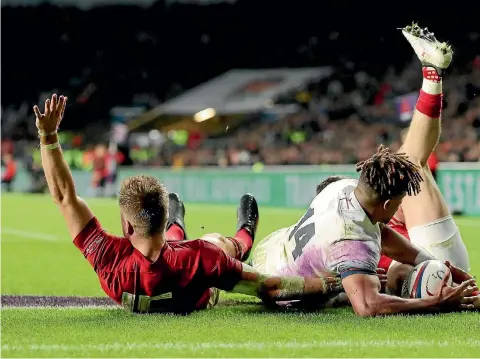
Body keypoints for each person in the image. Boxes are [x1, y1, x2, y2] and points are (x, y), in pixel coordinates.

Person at [33, 94, 343, 314]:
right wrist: (332, 282)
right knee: (215, 242)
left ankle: (177, 227)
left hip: (155, 259)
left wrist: (48, 136)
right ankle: (242, 239)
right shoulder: (200, 258)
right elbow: (270, 287)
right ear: (161, 216)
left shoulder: (107, 257)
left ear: (127, 225)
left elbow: (63, 196)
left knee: (177, 244)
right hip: (194, 279)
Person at [251, 24, 480, 317]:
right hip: (431, 273)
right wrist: (434, 301)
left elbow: (384, 236)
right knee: (411, 163)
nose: (402, 203)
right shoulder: (352, 240)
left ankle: (432, 76)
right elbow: (368, 305)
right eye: (397, 201)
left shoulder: (348, 207)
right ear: (384, 204)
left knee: (409, 164)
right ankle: (432, 77)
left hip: (432, 264)